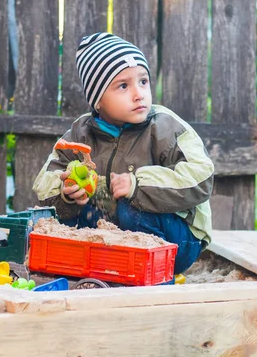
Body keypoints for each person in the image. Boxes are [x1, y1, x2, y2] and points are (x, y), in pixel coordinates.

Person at [33, 33, 214, 274]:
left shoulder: (165, 127)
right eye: (123, 86)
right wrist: (67, 193)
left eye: (143, 81)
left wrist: (139, 185)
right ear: (98, 101)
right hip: (112, 240)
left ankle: (150, 272)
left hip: (177, 241)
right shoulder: (80, 134)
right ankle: (97, 267)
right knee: (69, 211)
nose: (139, 94)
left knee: (131, 207)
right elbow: (46, 181)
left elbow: (201, 177)